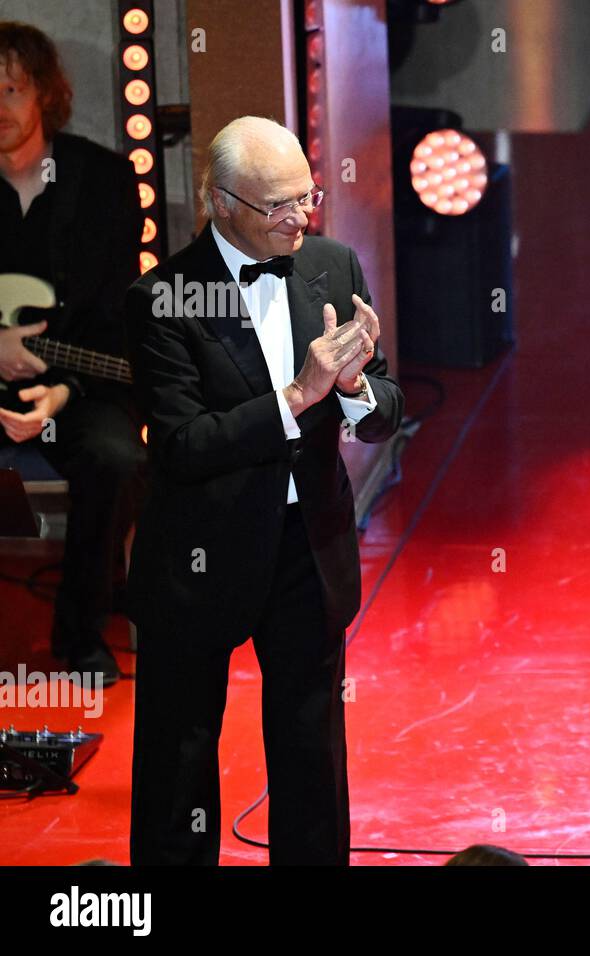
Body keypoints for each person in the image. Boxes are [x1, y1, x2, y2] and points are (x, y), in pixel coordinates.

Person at [124, 116, 404, 865]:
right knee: (178, 760)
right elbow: (182, 447)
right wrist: (297, 395)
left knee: (312, 754)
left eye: (306, 197)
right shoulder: (165, 297)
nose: (300, 218)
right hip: (199, 554)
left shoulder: (335, 265)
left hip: (306, 549)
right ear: (220, 203)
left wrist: (351, 390)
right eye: (276, 205)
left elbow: (385, 411)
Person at [0, 21, 146, 684]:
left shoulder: (104, 182)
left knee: (116, 455)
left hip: (75, 377)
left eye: (11, 90)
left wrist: (62, 392)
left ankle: (81, 633)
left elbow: (117, 309)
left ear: (43, 97)